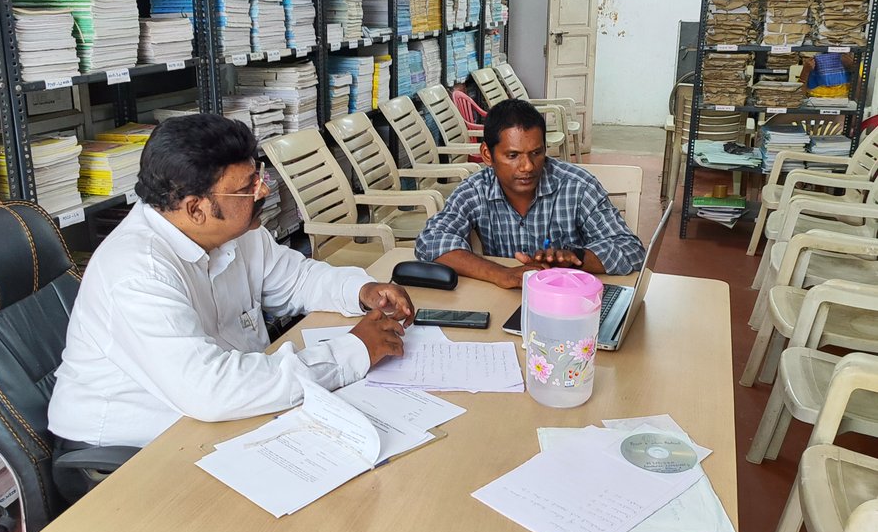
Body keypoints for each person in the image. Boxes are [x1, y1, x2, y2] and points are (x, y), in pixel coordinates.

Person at [49, 114, 413, 453]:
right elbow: (212, 389)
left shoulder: (233, 231)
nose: (263, 192)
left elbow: (297, 278)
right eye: (247, 188)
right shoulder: (137, 272)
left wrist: (361, 291)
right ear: (196, 209)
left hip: (208, 416)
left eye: (259, 177)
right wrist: (353, 351)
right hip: (127, 448)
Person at [415, 98, 645, 289]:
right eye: (513, 155)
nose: (528, 166)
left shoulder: (578, 186)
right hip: (506, 302)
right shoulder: (476, 190)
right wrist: (502, 274)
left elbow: (630, 250)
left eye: (536, 153)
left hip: (569, 300)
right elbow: (431, 242)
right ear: (487, 154)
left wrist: (576, 259)